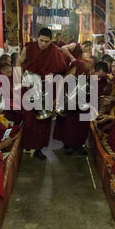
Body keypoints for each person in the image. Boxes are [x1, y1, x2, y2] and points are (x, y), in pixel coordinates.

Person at [16, 27, 69, 160]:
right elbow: (19, 62)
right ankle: (27, 146)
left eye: (47, 42)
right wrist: (19, 80)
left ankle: (39, 149)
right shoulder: (28, 48)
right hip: (29, 86)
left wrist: (54, 74)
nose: (44, 44)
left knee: (43, 121)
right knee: (29, 119)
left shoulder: (54, 51)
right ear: (36, 38)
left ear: (51, 41)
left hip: (46, 88)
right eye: (41, 41)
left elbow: (62, 71)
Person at [53, 58, 93, 156]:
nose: (92, 68)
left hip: (83, 100)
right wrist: (58, 98)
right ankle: (69, 145)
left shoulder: (87, 70)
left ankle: (78, 145)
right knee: (70, 123)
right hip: (71, 98)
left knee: (82, 124)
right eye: (91, 65)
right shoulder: (78, 66)